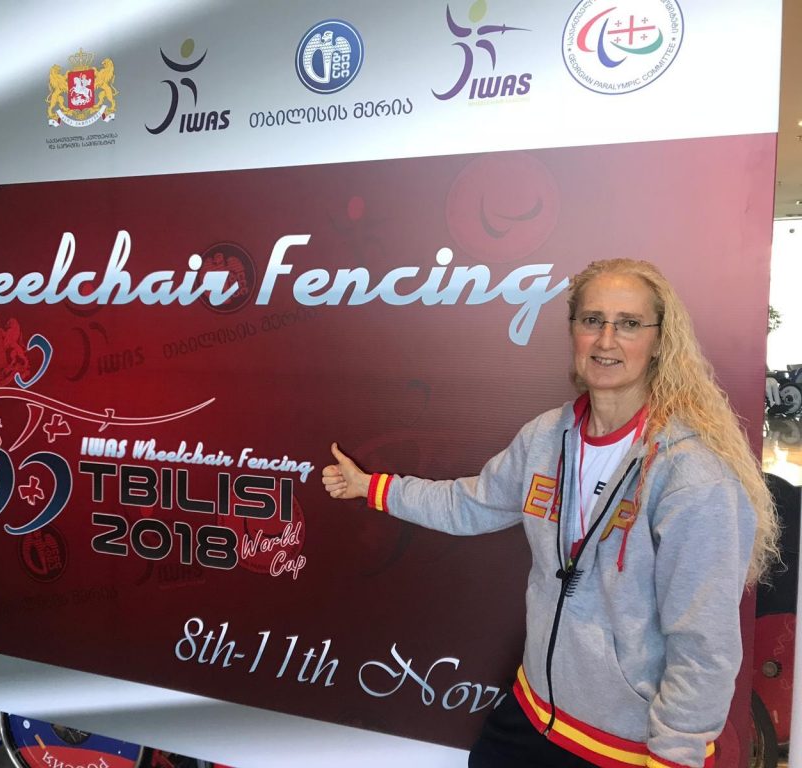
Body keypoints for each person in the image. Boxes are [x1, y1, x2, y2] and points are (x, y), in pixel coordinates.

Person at [323, 259, 778, 768]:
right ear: (574, 331)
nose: (606, 340)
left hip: (625, 746)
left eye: (628, 323)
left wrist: (674, 757)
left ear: (659, 341)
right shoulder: (546, 435)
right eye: (592, 320)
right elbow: (470, 504)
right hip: (532, 712)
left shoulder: (693, 474)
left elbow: (704, 644)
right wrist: (372, 488)